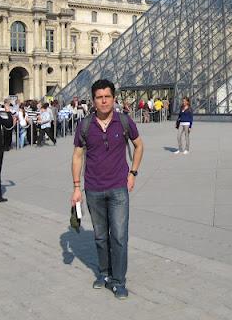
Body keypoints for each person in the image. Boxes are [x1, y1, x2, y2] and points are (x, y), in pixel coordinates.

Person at [70, 79, 143, 300]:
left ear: (113, 98)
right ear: (93, 100)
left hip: (119, 189)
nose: (104, 101)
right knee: (101, 237)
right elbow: (77, 156)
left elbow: (139, 145)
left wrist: (133, 173)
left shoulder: (124, 121)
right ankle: (104, 272)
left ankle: (118, 280)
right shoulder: (84, 125)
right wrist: (76, 188)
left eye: (107, 96)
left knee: (119, 236)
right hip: (93, 189)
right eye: (99, 97)